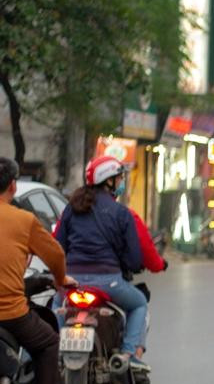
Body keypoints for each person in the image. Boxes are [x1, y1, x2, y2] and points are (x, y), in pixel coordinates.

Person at [0, 156, 73, 384]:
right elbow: (56, 255)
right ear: (13, 186)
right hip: (11, 314)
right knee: (48, 342)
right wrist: (61, 279)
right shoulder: (24, 220)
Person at [55, 155, 147, 370]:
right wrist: (133, 266)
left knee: (56, 304)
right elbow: (134, 259)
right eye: (119, 178)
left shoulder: (71, 209)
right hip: (110, 282)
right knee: (139, 303)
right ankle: (128, 354)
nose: (121, 182)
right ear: (110, 181)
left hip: (73, 282)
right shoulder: (121, 213)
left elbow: (57, 247)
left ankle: (58, 347)